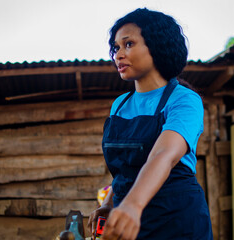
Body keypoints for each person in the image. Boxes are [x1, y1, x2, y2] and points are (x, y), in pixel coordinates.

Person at [87, 8, 213, 240]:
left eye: (128, 44)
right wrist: (109, 203)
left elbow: (163, 155)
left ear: (157, 45)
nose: (118, 55)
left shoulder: (184, 99)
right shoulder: (120, 105)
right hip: (129, 221)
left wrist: (133, 205)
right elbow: (129, 168)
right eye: (116, 48)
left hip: (176, 220)